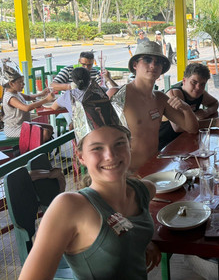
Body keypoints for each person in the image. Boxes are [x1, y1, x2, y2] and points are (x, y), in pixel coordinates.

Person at [19, 85, 161, 279]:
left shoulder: (143, 190)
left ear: (130, 146)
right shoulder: (69, 207)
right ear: (81, 157)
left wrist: (141, 242)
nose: (110, 156)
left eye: (119, 144)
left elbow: (129, 231)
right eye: (97, 148)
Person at [108, 41, 199, 171]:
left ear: (162, 69)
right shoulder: (117, 95)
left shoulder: (160, 98)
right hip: (126, 173)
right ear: (135, 65)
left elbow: (192, 128)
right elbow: (98, 137)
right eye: (147, 60)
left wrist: (186, 108)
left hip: (154, 170)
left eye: (158, 62)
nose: (153, 65)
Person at [158, 63, 219, 149]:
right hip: (165, 145)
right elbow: (179, 127)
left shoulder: (200, 93)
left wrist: (207, 112)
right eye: (194, 82)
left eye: (202, 84)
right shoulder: (174, 94)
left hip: (185, 140)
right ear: (184, 81)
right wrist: (213, 123)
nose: (198, 87)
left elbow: (215, 103)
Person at [1, 62, 54, 140]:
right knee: (45, 132)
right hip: (14, 129)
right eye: (20, 82)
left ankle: (41, 145)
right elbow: (26, 108)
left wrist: (41, 94)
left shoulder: (16, 93)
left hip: (25, 124)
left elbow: (29, 97)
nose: (23, 84)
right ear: (11, 84)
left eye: (23, 81)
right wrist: (46, 100)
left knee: (49, 128)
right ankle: (36, 147)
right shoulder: (10, 97)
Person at [51, 51, 117, 92]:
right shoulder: (68, 70)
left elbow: (102, 88)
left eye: (89, 65)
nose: (86, 67)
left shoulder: (95, 73)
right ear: (79, 61)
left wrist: (106, 79)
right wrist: (71, 86)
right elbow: (53, 85)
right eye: (83, 64)